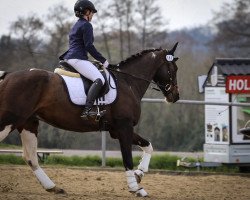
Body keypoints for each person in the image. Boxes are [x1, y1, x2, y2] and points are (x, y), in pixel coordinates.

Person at [60, 0, 110, 118]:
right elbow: (89, 46)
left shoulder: (76, 25)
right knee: (99, 79)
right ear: (86, 11)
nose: (92, 15)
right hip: (78, 59)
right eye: (92, 12)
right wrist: (103, 60)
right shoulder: (87, 25)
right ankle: (87, 110)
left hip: (71, 58)